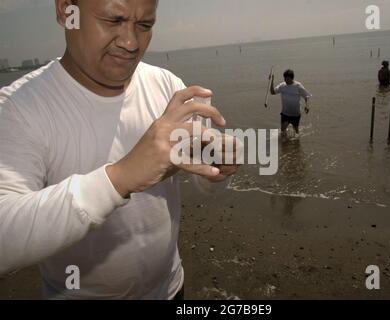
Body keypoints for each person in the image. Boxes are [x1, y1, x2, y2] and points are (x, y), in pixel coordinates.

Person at [0, 0, 238, 299]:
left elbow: (189, 191)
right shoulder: (16, 109)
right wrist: (121, 177)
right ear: (65, 12)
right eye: (113, 20)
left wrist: (216, 169)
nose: (130, 42)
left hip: (170, 288)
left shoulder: (167, 86)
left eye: (144, 25)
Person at [270, 69, 312, 137]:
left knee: (296, 132)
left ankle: (295, 145)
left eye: (287, 79)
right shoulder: (282, 85)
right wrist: (271, 80)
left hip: (295, 113)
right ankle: (285, 143)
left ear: (292, 78)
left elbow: (306, 96)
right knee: (283, 129)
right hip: (285, 112)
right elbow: (272, 92)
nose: (286, 80)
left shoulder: (298, 86)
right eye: (285, 78)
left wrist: (307, 106)